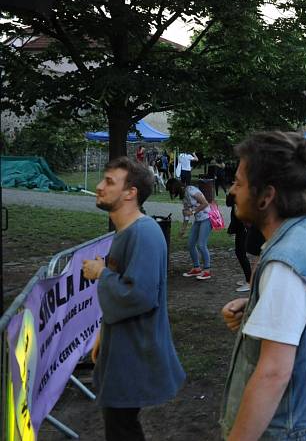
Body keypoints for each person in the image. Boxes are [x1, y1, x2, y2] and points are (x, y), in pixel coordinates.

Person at [219, 132, 306, 439]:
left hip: (297, 427)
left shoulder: (286, 263)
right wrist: (257, 305)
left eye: (239, 182)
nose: (233, 191)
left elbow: (273, 373)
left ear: (266, 196)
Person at [82, 157, 184, 440]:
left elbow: (139, 295)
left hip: (134, 354)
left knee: (122, 430)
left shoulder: (145, 233)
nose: (99, 186)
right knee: (120, 427)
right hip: (120, 349)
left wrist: (101, 273)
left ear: (131, 192)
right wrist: (104, 334)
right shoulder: (127, 232)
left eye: (109, 182)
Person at [166, 178, 213, 280]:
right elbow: (186, 213)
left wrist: (192, 211)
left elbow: (205, 203)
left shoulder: (191, 190)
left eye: (171, 190)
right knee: (190, 244)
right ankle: (196, 268)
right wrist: (183, 228)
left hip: (207, 218)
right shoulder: (184, 196)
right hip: (198, 221)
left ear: (176, 187)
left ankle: (207, 270)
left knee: (201, 244)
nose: (172, 192)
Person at [226, 191, 252, 292]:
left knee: (241, 254)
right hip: (240, 231)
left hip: (244, 232)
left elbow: (244, 220)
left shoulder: (241, 205)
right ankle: (248, 278)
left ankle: (249, 281)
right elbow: (234, 220)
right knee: (240, 253)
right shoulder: (237, 204)